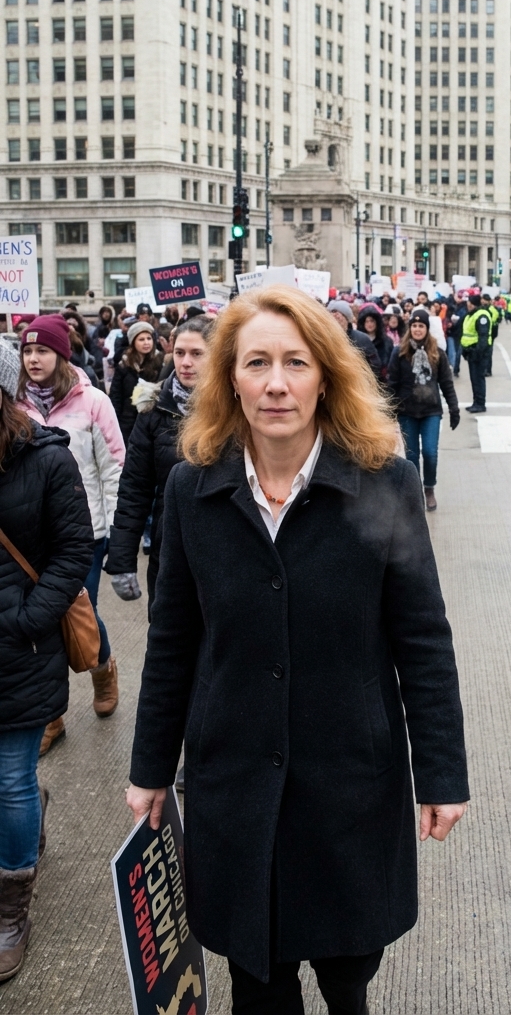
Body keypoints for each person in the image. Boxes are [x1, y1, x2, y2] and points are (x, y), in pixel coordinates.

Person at [126, 285, 469, 1013]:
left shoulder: (383, 483)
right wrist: (150, 770)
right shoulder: (192, 489)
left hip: (349, 783)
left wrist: (440, 774)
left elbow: (422, 640)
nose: (276, 383)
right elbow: (174, 642)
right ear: (229, 379)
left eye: (296, 362)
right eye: (256, 363)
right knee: (256, 979)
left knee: (347, 977)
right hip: (234, 784)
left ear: (327, 375)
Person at [0, 337, 94, 982]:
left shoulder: (44, 459)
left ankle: (10, 909)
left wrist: (30, 620)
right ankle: (27, 821)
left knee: (7, 778)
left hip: (19, 648)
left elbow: (71, 550)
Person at [17, 315, 125, 750]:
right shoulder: (13, 403)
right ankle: (52, 717)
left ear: (62, 355)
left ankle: (102, 668)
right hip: (28, 538)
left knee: (77, 615)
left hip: (84, 534)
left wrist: (119, 530)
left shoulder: (93, 401)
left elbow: (115, 468)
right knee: (40, 626)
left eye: (42, 350)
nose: (33, 358)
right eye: (27, 351)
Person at [106, 317, 214, 616]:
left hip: (225, 553)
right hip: (168, 551)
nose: (186, 362)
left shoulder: (238, 407)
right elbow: (134, 488)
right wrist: (122, 560)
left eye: (196, 354)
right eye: (179, 353)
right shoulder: (154, 410)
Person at [387, 307, 460, 512]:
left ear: (427, 329)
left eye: (421, 326)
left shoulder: (438, 352)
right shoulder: (399, 352)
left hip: (431, 411)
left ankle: (429, 487)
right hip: (407, 411)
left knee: (429, 453)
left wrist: (454, 409)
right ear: (410, 328)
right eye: (415, 326)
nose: (418, 329)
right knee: (411, 457)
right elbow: (392, 382)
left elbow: (446, 383)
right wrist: (387, 412)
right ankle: (415, 492)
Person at [109, 321, 164, 442]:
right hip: (127, 421)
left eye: (149, 338)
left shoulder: (160, 362)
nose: (146, 342)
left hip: (151, 420)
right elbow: (116, 394)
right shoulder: (124, 364)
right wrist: (114, 420)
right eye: (141, 339)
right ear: (133, 342)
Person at [326, 298, 381, 378]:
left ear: (347, 319)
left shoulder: (361, 339)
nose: (336, 318)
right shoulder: (325, 339)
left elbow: (375, 365)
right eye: (332, 314)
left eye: (339, 315)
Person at [460, 294, 492, 414]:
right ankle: (476, 402)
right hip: (472, 352)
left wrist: (477, 353)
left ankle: (480, 403)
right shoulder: (471, 315)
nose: (468, 307)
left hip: (478, 353)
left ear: (474, 305)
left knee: (478, 378)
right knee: (474, 379)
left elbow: (483, 338)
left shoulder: (481, 316)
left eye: (469, 305)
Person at [356, 304, 393, 378]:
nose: (369, 324)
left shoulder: (387, 341)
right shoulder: (358, 340)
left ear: (377, 322)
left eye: (372, 321)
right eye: (366, 321)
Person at [480, 293, 500, 376]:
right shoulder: (486, 309)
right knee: (485, 352)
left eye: (483, 299)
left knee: (487, 352)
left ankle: (487, 370)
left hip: (490, 334)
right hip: (487, 334)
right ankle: (485, 369)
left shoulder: (491, 310)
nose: (482, 301)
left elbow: (491, 321)